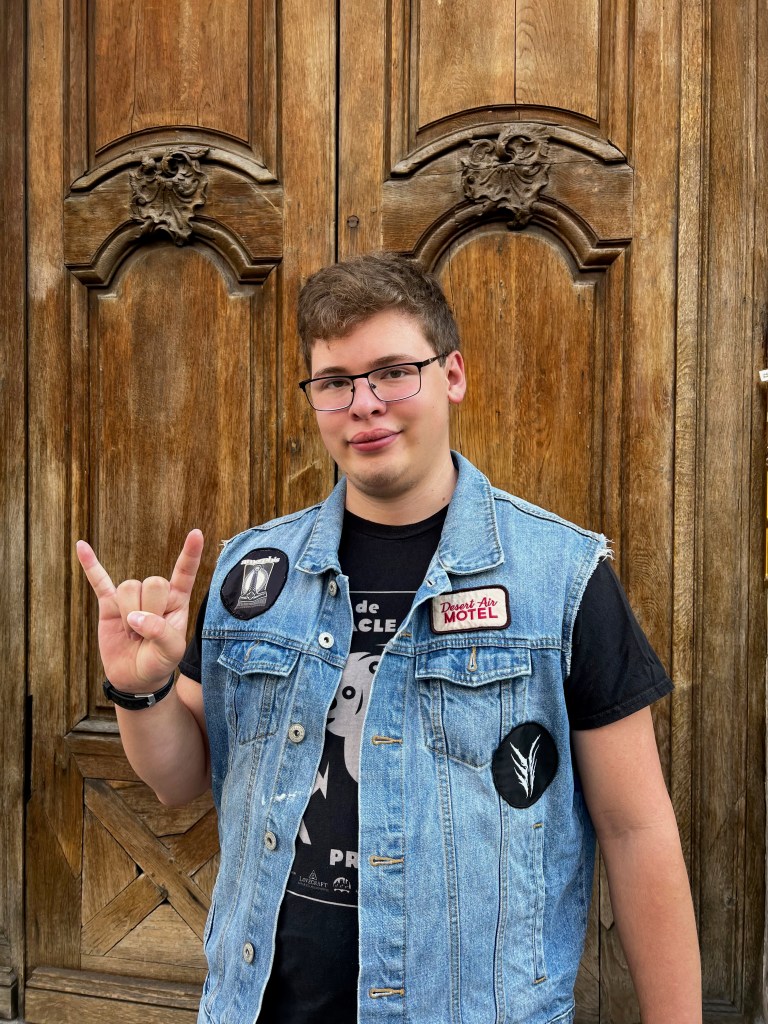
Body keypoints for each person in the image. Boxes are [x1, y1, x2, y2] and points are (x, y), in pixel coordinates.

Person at [77, 253, 702, 1024]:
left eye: (394, 371)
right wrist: (144, 690)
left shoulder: (560, 578)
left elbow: (635, 828)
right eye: (336, 382)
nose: (365, 404)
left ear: (453, 376)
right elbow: (180, 781)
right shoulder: (254, 575)